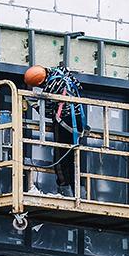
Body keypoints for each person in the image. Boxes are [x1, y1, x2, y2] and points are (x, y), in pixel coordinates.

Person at [24, 65, 88, 196]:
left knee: (61, 156)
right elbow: (79, 87)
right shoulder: (63, 72)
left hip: (64, 121)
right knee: (74, 155)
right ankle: (79, 189)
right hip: (78, 119)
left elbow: (47, 111)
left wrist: (33, 103)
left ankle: (65, 189)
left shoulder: (51, 87)